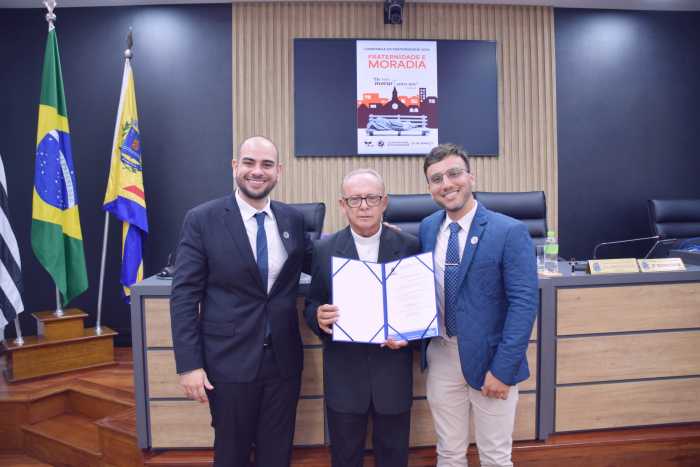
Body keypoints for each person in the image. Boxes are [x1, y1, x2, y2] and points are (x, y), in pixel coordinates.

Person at [170, 136, 311, 467]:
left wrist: (373, 235)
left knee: (277, 454)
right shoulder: (202, 219)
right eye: (249, 162)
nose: (257, 171)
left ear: (279, 171)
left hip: (283, 362)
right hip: (228, 361)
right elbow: (184, 295)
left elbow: (317, 261)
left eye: (266, 165)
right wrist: (189, 364)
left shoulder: (292, 219)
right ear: (235, 166)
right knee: (231, 454)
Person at [418, 144, 538, 467]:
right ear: (430, 188)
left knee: (495, 457)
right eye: (437, 179)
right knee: (448, 454)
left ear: (471, 176)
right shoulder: (428, 227)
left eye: (454, 174)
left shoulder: (509, 231)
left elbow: (524, 304)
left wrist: (503, 369)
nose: (447, 184)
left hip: (491, 361)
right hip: (442, 355)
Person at [304, 168, 419, 467]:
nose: (364, 206)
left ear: (385, 202)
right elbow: (312, 302)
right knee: (345, 458)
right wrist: (318, 317)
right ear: (343, 205)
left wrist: (410, 336)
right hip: (345, 375)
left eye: (372, 198)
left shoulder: (409, 245)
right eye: (355, 199)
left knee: (394, 458)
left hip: (392, 374)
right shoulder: (323, 249)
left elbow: (420, 307)